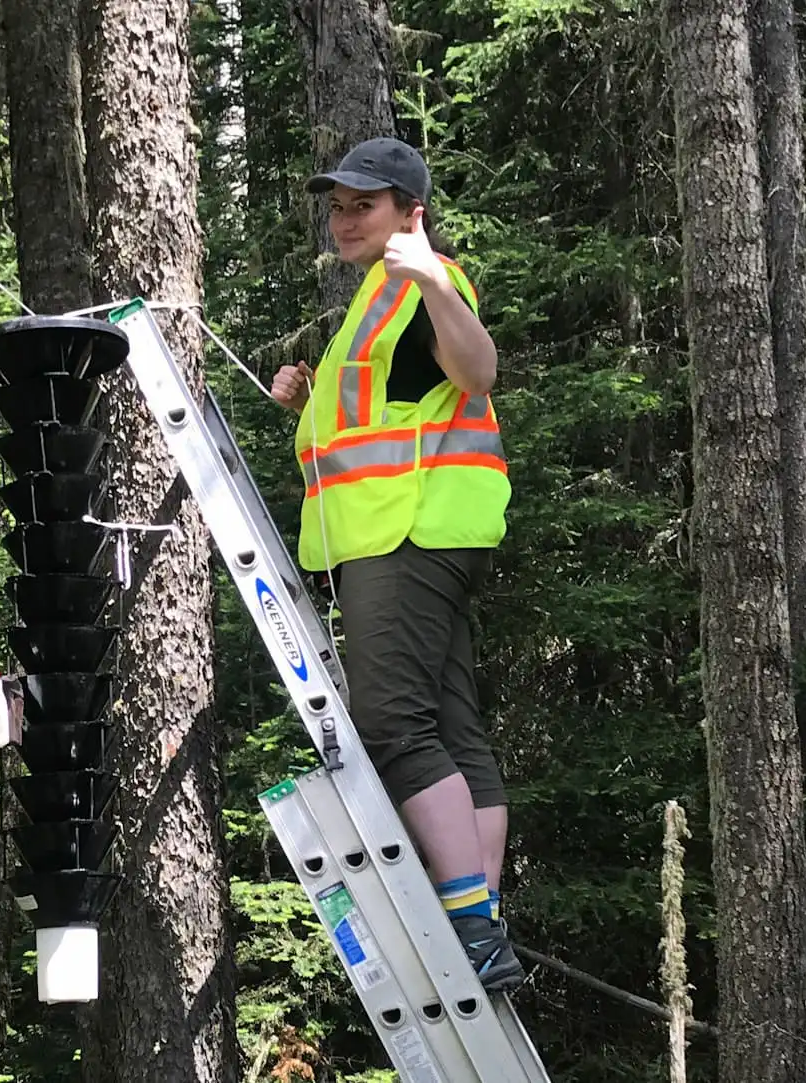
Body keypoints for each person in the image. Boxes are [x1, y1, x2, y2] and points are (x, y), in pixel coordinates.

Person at [271, 137, 520, 992]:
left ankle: (469, 930)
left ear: (409, 212)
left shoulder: (419, 282)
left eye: (362, 206)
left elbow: (478, 370)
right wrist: (305, 402)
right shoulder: (376, 302)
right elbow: (388, 413)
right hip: (419, 533)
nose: (344, 220)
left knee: (392, 726)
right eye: (337, 206)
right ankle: (481, 919)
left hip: (407, 535)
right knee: (452, 729)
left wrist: (433, 279)